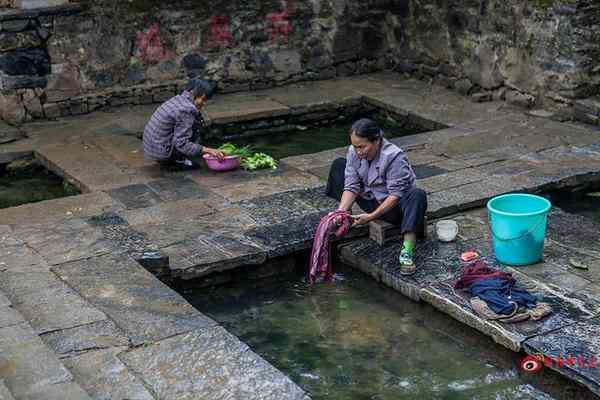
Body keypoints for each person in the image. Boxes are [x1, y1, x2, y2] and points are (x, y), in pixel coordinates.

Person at [325, 118, 428, 275]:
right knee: (339, 165)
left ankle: (407, 251)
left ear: (377, 141)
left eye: (362, 147)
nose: (358, 152)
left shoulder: (394, 157)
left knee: (417, 195)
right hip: (370, 199)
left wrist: (371, 217)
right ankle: (345, 215)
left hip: (394, 208)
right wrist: (341, 211)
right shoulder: (354, 152)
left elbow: (395, 195)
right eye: (355, 146)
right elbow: (351, 185)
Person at [143, 78, 225, 168]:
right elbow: (181, 143)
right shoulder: (187, 109)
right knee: (196, 124)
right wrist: (208, 150)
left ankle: (179, 156)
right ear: (194, 93)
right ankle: (175, 160)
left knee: (196, 121)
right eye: (203, 99)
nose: (204, 103)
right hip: (161, 152)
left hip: (151, 147)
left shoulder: (179, 99)